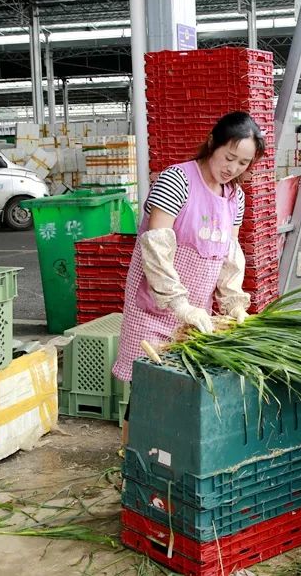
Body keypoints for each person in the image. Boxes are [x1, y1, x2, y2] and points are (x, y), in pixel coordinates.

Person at [113, 111, 266, 446]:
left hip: (195, 307)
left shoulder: (235, 198)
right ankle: (133, 458)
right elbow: (156, 246)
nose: (233, 169)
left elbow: (230, 252)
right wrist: (177, 303)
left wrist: (233, 301)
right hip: (155, 302)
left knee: (182, 383)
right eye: (229, 157)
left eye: (243, 163)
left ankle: (170, 454)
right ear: (212, 143)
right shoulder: (177, 180)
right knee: (148, 384)